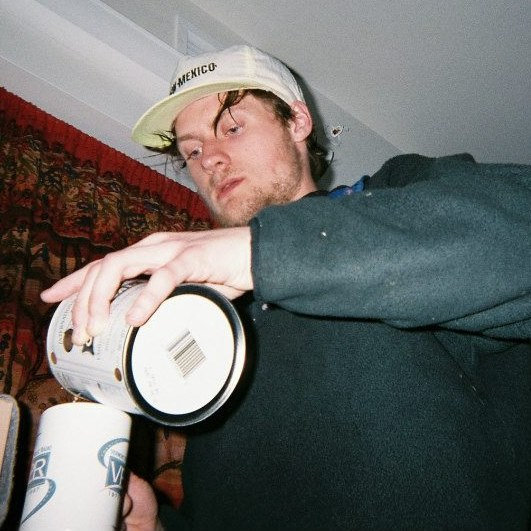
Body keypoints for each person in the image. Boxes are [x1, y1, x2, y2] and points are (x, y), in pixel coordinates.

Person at [41, 45, 531, 530]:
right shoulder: (210, 327)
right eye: (191, 151)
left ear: (298, 122)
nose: (209, 160)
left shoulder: (394, 195)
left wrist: (259, 252)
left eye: (231, 127)